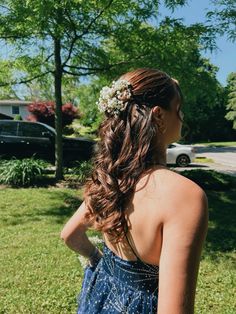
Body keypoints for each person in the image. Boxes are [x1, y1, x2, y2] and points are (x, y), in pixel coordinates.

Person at [60, 68, 208, 314]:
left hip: (100, 296)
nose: (182, 116)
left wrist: (100, 261)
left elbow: (70, 235)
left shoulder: (108, 180)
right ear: (158, 115)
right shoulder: (185, 196)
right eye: (178, 108)